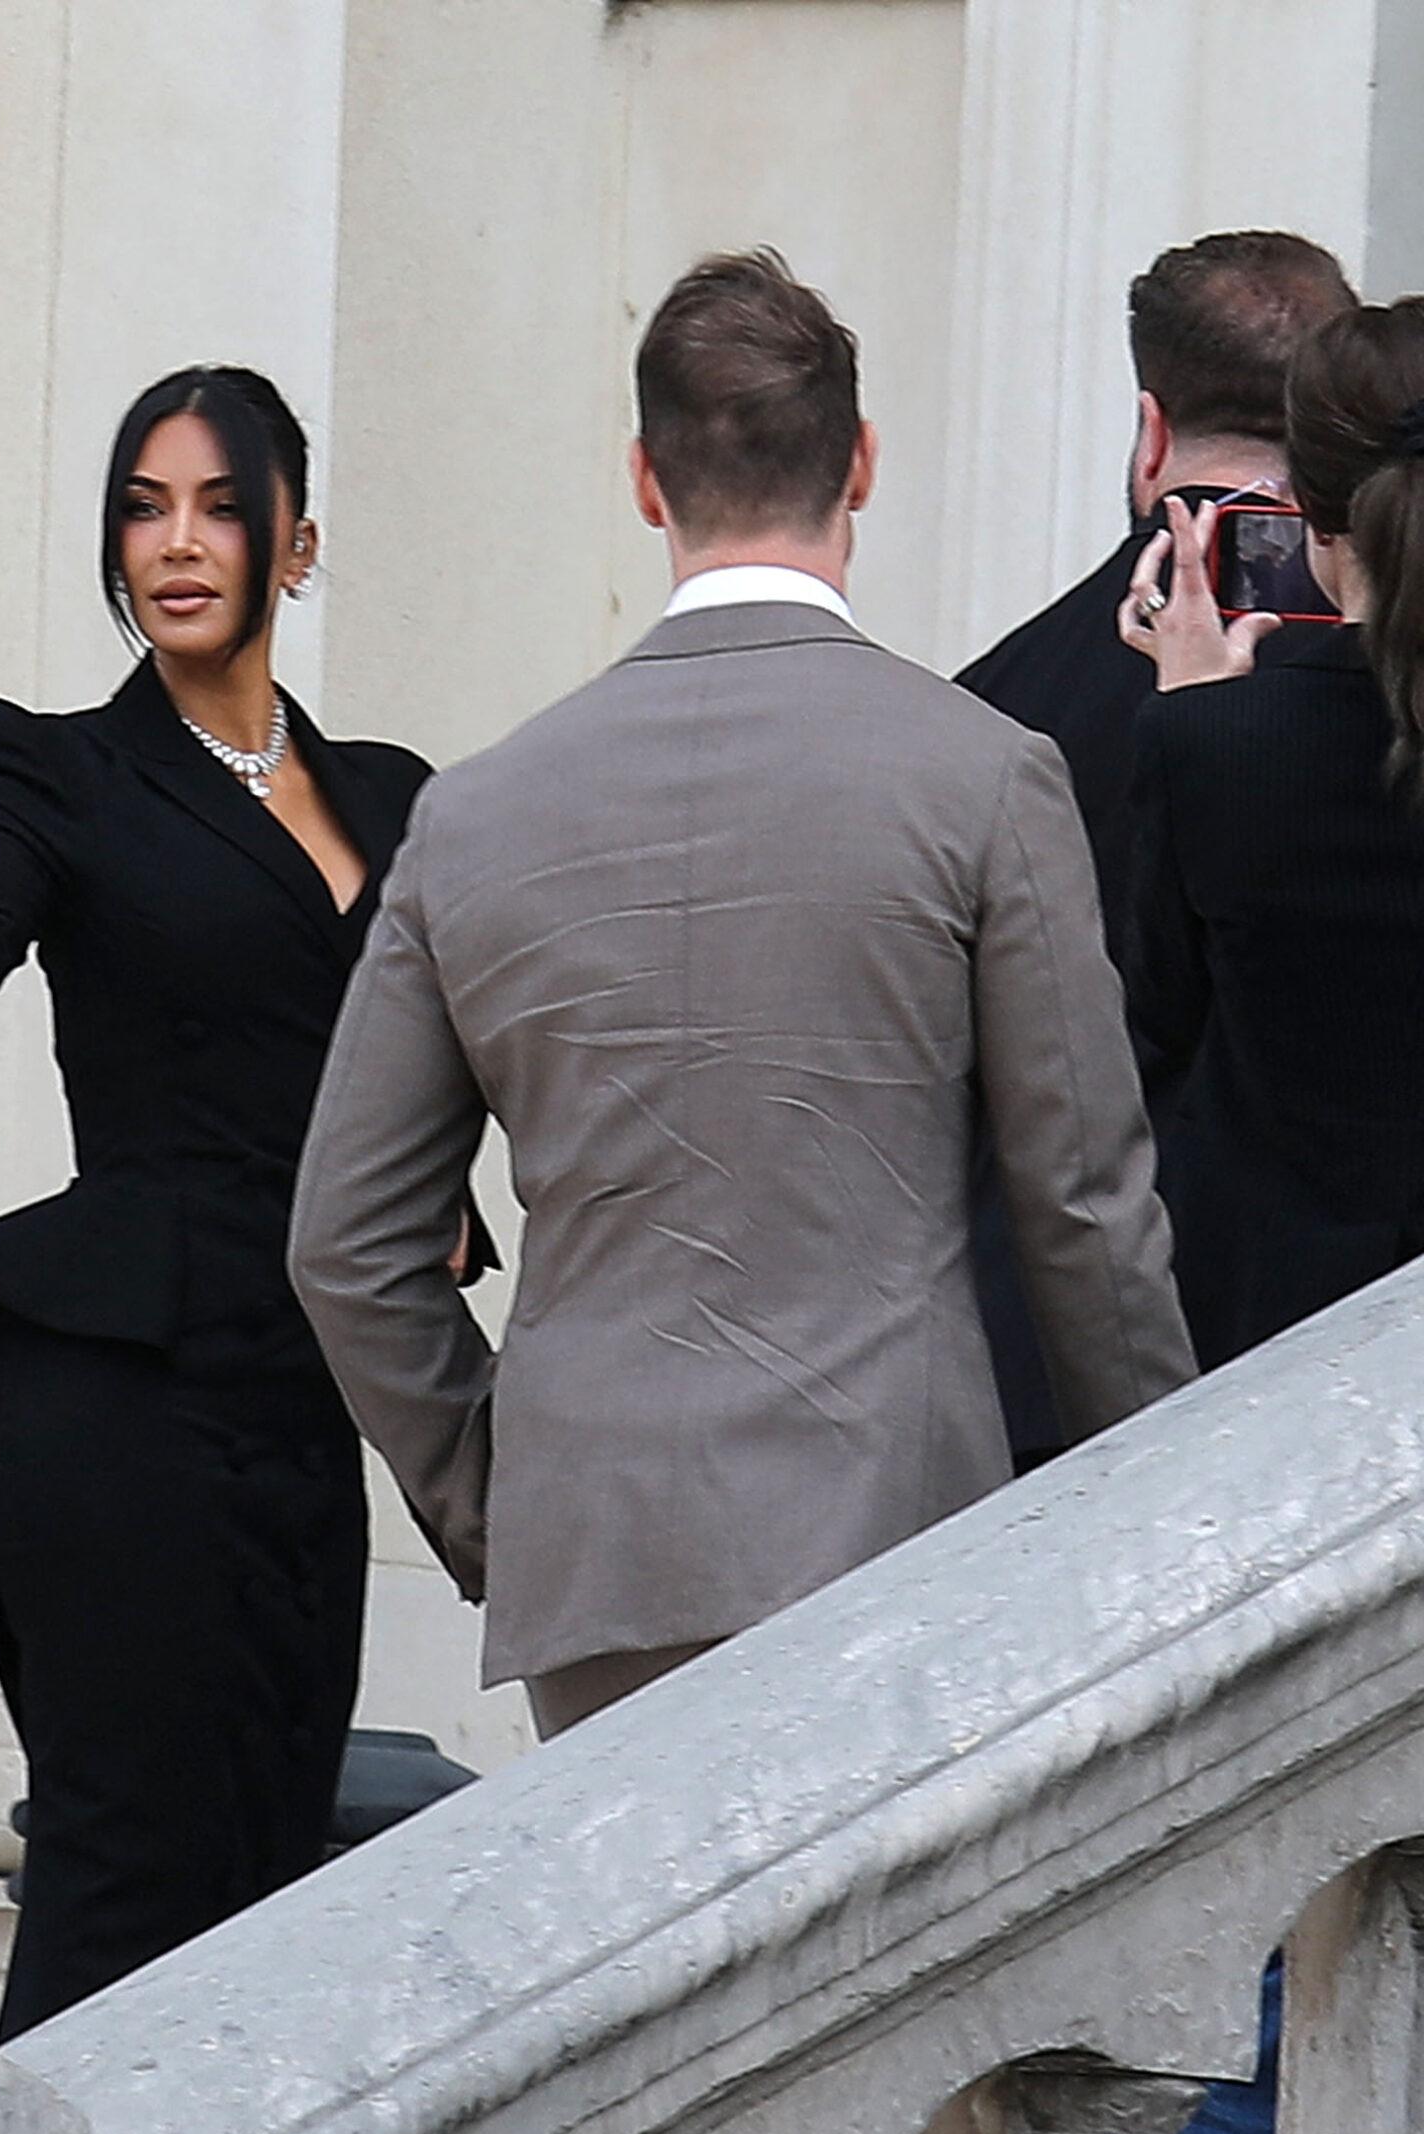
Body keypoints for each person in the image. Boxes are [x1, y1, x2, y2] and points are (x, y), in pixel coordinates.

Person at [289, 250, 1196, 1741]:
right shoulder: (983, 776)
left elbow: (345, 1246)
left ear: (647, 480)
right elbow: (1084, 1209)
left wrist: (503, 1498)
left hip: (601, 1545)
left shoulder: (480, 812)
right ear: (863, 463)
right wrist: (1151, 1518)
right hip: (893, 1525)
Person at [0, 368, 465, 2039]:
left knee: (266, 1852)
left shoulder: (397, 794)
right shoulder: (59, 770)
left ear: (296, 541)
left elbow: (438, 1044)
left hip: (304, 1384)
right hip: (114, 1377)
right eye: (141, 504)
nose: (175, 542)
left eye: (218, 505)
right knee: (129, 1858)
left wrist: (451, 1202)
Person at [1113, 300, 1424, 2134]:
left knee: (1236, 2006)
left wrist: (1185, 706)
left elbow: (1132, 1078)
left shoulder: (1214, 752)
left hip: (1262, 1436)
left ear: (1303, 528)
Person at [958, 232, 1354, 1465]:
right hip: (1337, 1367)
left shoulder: (987, 707)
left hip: (1045, 1382)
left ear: (1148, 430)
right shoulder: (1385, 697)